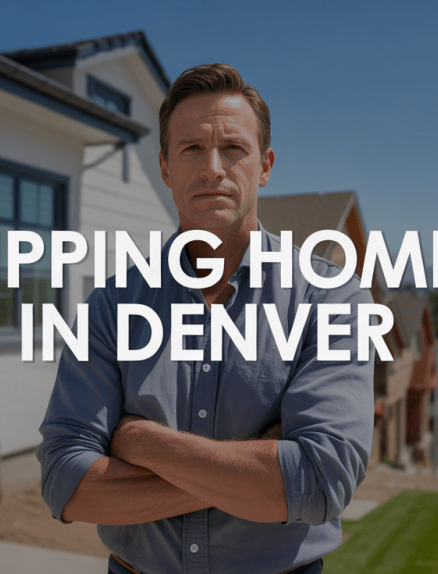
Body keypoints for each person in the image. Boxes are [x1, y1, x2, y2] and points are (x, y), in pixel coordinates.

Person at [37, 63, 375, 574]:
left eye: (233, 149)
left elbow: (321, 481)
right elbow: (67, 483)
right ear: (166, 167)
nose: (212, 167)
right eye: (191, 148)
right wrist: (254, 475)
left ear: (264, 166)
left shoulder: (331, 300)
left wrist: (141, 441)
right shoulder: (112, 306)